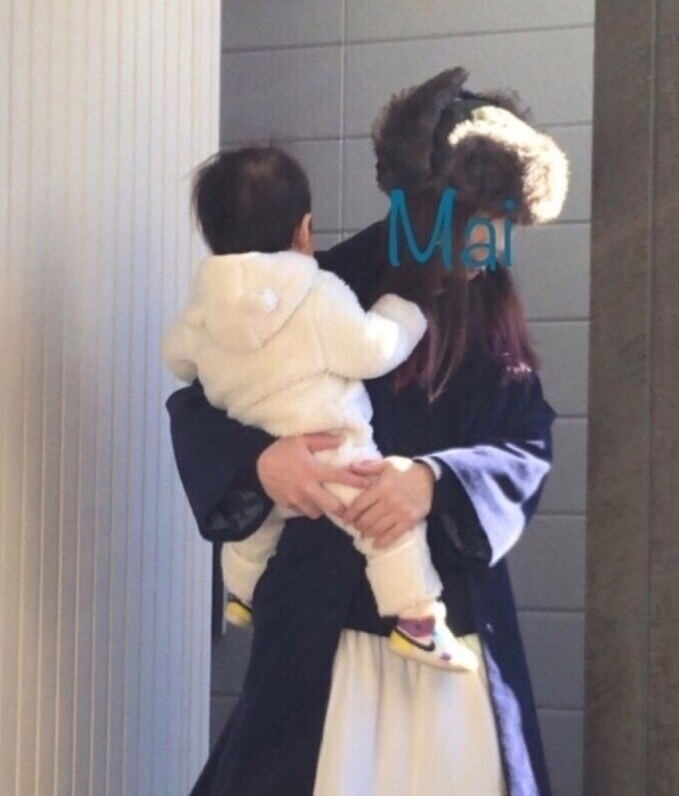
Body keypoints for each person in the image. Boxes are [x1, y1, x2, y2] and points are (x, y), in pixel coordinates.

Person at [97, 65, 646, 796]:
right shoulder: (322, 279)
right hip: (325, 641)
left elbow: (526, 441)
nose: (490, 240)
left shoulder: (490, 310)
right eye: (475, 213)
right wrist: (265, 464)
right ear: (423, 195)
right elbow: (201, 397)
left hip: (447, 638)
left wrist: (433, 480)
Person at [163, 143, 477, 673]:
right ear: (304, 230)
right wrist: (404, 314)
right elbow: (370, 349)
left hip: (268, 468)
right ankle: (417, 621)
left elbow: (176, 358)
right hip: (335, 454)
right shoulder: (317, 290)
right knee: (383, 530)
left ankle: (239, 595)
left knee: (254, 533)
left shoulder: (199, 310)